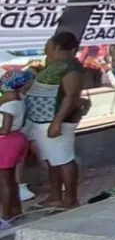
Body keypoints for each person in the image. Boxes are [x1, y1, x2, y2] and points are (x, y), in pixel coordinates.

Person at [25, 32, 87, 210]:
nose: (46, 49)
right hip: (44, 119)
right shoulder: (57, 65)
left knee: (64, 159)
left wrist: (58, 121)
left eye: (48, 46)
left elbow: (72, 95)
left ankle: (70, 199)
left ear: (56, 46)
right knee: (53, 159)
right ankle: (55, 196)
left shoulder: (71, 67)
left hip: (56, 119)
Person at [0, 68, 34, 224]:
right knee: (12, 179)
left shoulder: (8, 105)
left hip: (7, 141)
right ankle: (16, 210)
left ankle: (6, 216)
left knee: (4, 181)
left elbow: (5, 129)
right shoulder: (19, 99)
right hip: (18, 139)